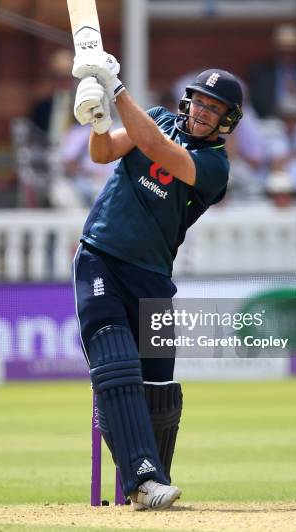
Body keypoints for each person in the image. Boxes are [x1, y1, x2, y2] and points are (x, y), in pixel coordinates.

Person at [71, 54, 243, 510]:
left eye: (213, 107)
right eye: (199, 101)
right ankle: (143, 480)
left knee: (159, 388)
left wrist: (118, 91)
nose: (202, 111)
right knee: (116, 365)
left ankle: (152, 481)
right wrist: (97, 117)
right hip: (101, 258)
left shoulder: (215, 167)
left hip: (153, 278)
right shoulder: (162, 118)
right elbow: (103, 152)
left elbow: (161, 152)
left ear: (227, 120)